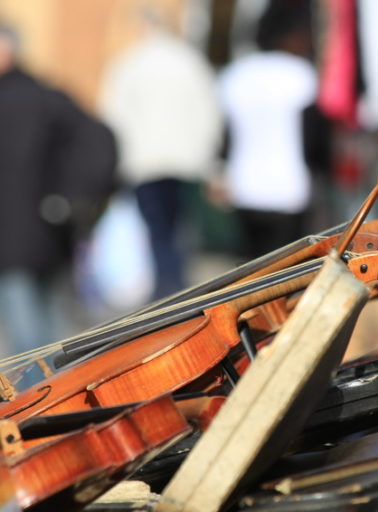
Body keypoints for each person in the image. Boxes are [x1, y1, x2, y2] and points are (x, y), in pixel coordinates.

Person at [0, 23, 117, 373]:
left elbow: (98, 145)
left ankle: (43, 411)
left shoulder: (41, 98)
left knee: (30, 342)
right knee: (48, 336)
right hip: (44, 232)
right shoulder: (47, 96)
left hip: (23, 238)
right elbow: (100, 142)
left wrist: (73, 198)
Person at [99, 7, 222, 300]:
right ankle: (178, 284)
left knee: (158, 230)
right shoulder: (189, 61)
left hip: (145, 162)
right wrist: (208, 157)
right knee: (181, 225)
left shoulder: (129, 63)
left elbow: (113, 116)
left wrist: (119, 162)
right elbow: (209, 111)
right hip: (186, 161)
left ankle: (167, 287)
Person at [217, 2, 317, 259]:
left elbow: (225, 136)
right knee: (284, 273)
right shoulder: (301, 75)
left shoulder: (236, 75)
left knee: (249, 269)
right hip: (290, 189)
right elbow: (314, 137)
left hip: (245, 186)